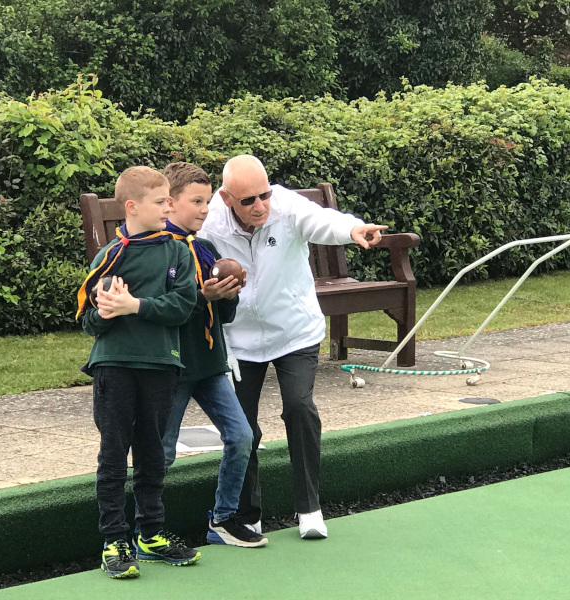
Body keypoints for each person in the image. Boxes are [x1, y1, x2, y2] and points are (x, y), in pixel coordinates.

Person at [199, 154, 388, 540]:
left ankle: (310, 508)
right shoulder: (210, 222)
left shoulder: (285, 205)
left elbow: (322, 221)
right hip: (239, 339)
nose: (260, 206)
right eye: (248, 200)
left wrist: (353, 229)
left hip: (295, 331)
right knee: (242, 426)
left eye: (264, 195)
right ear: (227, 198)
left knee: (299, 407)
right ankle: (247, 514)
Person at [76, 166, 200, 579]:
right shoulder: (109, 256)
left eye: (169, 200)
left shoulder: (178, 252)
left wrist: (135, 306)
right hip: (114, 367)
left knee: (152, 453)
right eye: (161, 201)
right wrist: (107, 310)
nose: (169, 207)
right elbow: (89, 323)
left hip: (161, 366)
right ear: (132, 206)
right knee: (113, 454)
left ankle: (151, 533)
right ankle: (114, 540)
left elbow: (182, 306)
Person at [158, 162, 267, 548]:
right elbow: (160, 310)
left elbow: (224, 316)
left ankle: (222, 519)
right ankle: (144, 529)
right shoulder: (157, 252)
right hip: (172, 367)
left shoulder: (205, 250)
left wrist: (228, 295)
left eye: (207, 201)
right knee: (162, 451)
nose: (205, 210)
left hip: (209, 364)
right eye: (196, 202)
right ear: (170, 203)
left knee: (241, 436)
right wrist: (200, 296)